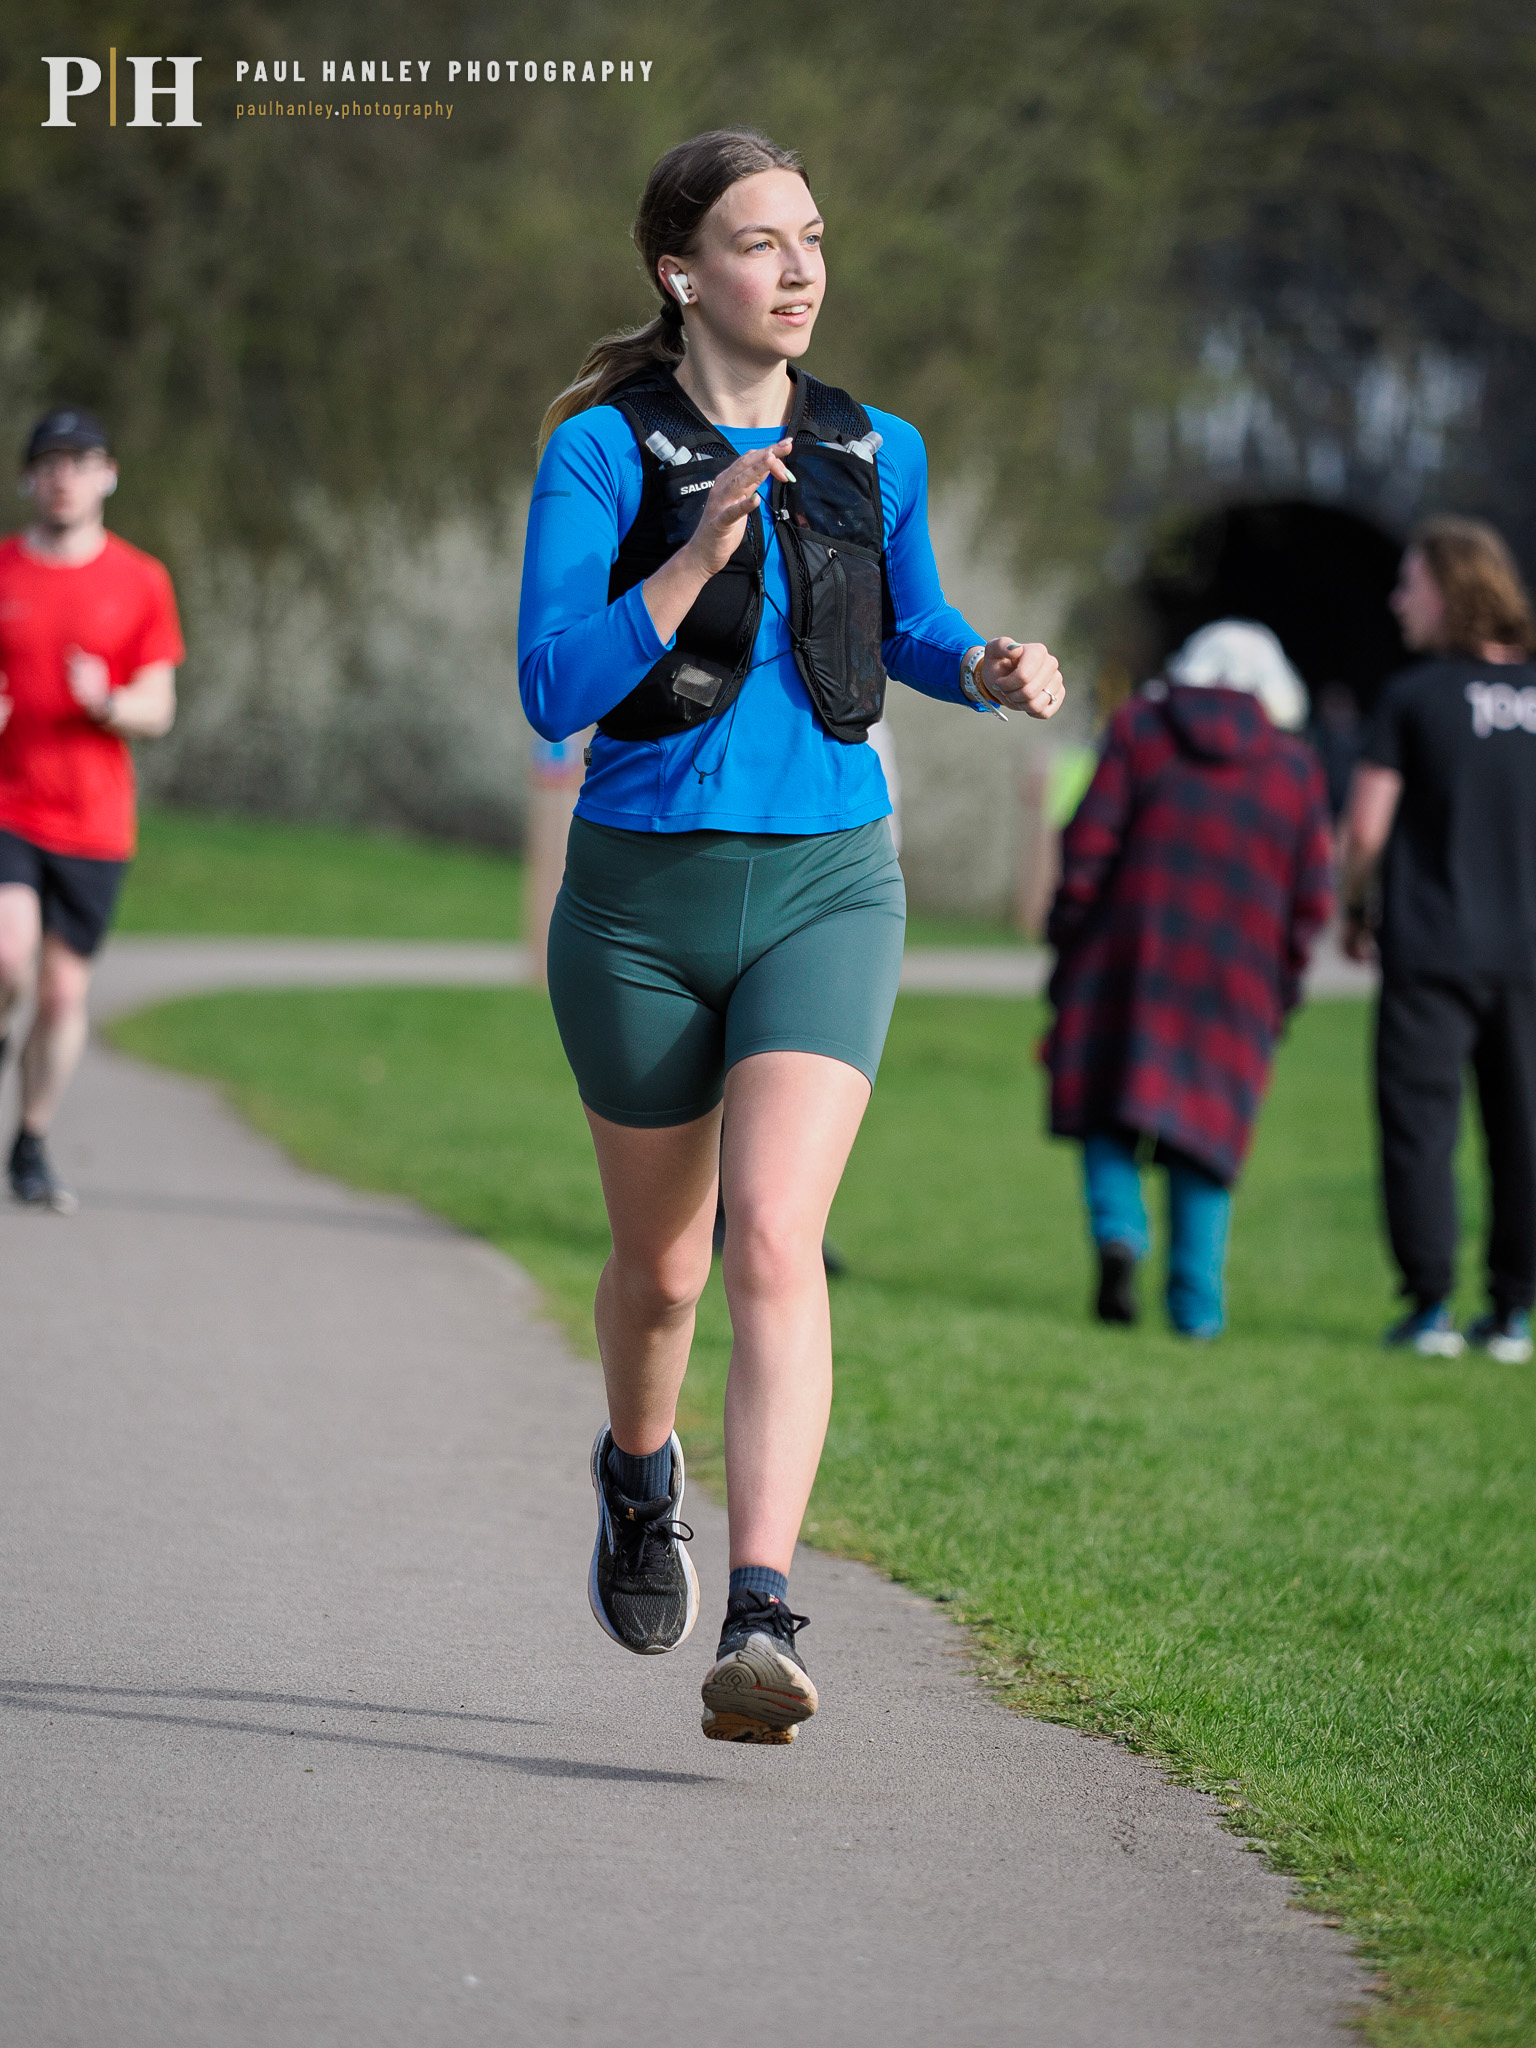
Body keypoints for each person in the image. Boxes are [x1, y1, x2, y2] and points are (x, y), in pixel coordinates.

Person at [517, 128, 1064, 1744]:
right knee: (663, 1266)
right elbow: (553, 686)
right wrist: (693, 556)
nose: (804, 268)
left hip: (831, 878)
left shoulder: (874, 441)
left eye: (815, 237)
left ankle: (762, 1610)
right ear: (682, 272)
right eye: (764, 243)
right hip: (636, 905)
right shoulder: (602, 454)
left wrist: (982, 667)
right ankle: (636, 1473)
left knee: (772, 1233)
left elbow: (904, 621)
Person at [1044, 621, 1332, 1337]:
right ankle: (1196, 1309)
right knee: (1207, 1137)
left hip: (1130, 953)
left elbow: (1090, 839)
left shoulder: (1142, 727)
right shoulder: (1295, 767)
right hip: (1238, 980)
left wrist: (1068, 927)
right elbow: (1311, 897)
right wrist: (1285, 985)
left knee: (1108, 1107)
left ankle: (1119, 1235)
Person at [1341, 517, 1536, 1362]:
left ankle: (1429, 1313)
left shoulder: (1415, 696)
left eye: (1409, 583)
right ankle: (1514, 1314)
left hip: (1432, 951)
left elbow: (1366, 827)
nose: (1396, 601)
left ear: (1449, 590)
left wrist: (1357, 909)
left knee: (1422, 1130)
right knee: (1524, 1130)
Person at [0, 408, 182, 1212]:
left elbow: (158, 705)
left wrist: (106, 701)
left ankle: (31, 1142)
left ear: (107, 476)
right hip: (8, 803)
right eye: (49, 462)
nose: (64, 475)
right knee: (8, 956)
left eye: (80, 461)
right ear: (28, 479)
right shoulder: (3, 569)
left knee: (65, 995)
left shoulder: (140, 580)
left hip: (95, 821)